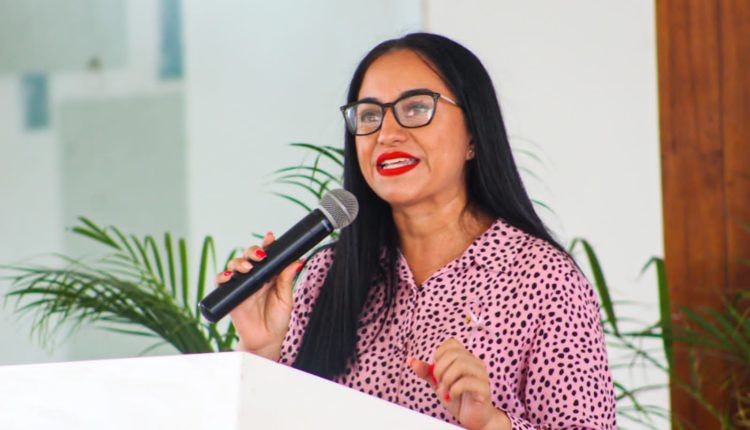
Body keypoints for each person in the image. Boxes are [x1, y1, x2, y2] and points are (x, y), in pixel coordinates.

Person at [216, 33, 616, 429]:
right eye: (369, 115)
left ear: (473, 134)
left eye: (416, 108)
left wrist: (492, 423)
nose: (386, 133)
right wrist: (262, 350)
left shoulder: (542, 277)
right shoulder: (326, 273)